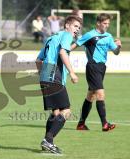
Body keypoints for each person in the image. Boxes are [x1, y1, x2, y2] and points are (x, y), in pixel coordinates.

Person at [36, 15, 82, 154]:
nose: (77, 30)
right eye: (75, 26)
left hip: (46, 75)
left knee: (56, 113)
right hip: (54, 75)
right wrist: (72, 72)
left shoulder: (51, 38)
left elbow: (38, 60)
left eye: (79, 28)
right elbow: (63, 52)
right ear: (67, 25)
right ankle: (48, 140)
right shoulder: (66, 36)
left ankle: (48, 142)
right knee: (66, 111)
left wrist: (43, 75)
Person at [71, 13, 122, 131]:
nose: (107, 26)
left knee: (91, 96)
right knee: (100, 94)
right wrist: (63, 52)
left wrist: (118, 46)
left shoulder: (108, 36)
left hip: (102, 68)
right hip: (92, 67)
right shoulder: (90, 35)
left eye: (108, 24)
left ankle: (81, 124)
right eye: (105, 23)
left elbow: (116, 52)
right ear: (98, 23)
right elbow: (75, 45)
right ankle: (105, 124)